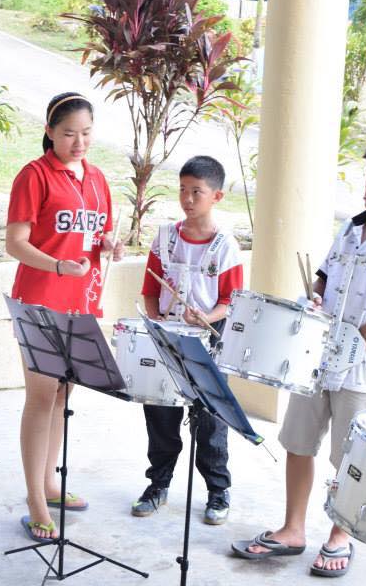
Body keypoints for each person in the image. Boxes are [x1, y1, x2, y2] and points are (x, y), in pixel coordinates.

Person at [231, 138, 366, 577]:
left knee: (350, 457)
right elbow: (321, 281)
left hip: (360, 368)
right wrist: (312, 301)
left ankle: (340, 535)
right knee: (298, 442)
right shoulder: (351, 228)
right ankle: (292, 529)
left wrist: (349, 350)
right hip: (314, 357)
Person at [5, 92, 123, 541]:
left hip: (81, 302)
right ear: (50, 132)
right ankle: (35, 499)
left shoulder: (97, 178)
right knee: (40, 396)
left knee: (62, 395)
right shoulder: (34, 176)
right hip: (40, 301)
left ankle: (50, 482)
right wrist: (56, 266)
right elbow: (15, 243)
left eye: (87, 133)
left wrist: (109, 245)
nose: (79, 142)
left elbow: (98, 233)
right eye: (69, 133)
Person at [132, 155, 243, 525]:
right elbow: (150, 289)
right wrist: (156, 323)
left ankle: (217, 490)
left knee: (210, 421)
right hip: (167, 339)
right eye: (183, 190)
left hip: (207, 343)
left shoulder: (225, 246)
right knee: (160, 413)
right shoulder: (165, 237)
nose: (188, 199)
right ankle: (158, 484)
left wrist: (206, 317)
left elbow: (230, 302)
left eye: (197, 192)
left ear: (217, 196)